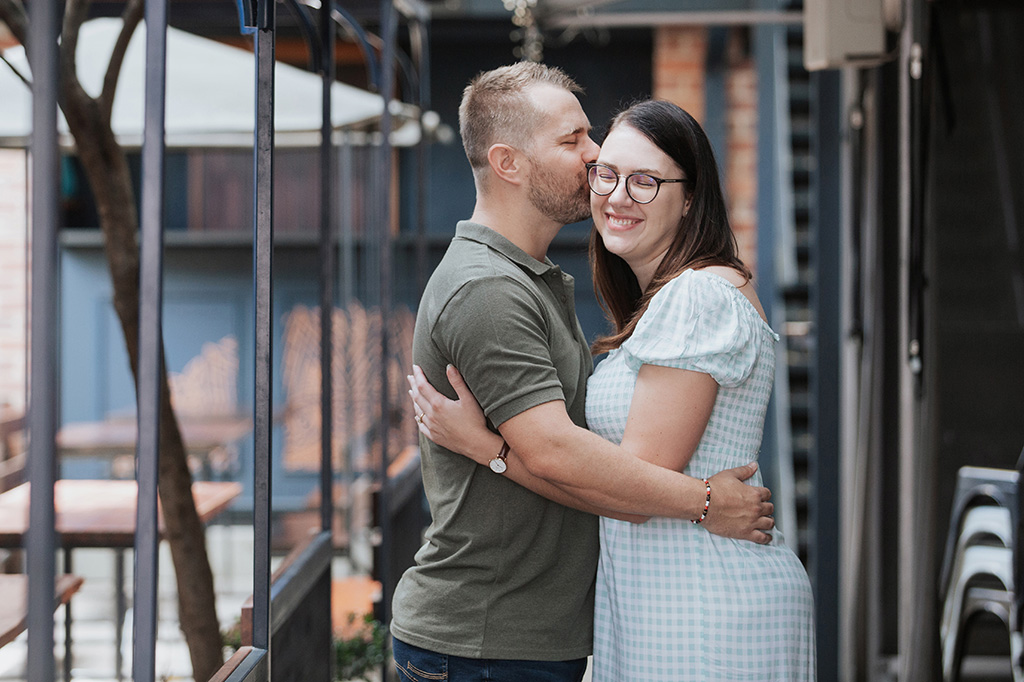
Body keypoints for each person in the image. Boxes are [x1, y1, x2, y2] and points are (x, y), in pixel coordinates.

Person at [391, 63, 775, 682]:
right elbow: (553, 452)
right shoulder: (489, 288)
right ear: (509, 163)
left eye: (642, 178)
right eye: (573, 141)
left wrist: (484, 446)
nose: (594, 157)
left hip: (531, 636)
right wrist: (708, 502)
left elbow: (573, 455)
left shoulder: (535, 280)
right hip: (486, 640)